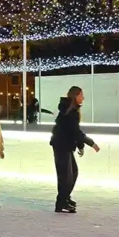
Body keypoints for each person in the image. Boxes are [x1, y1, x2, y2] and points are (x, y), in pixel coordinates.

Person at [49, 86, 100, 214]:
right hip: (61, 145)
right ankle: (61, 202)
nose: (83, 97)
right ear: (75, 96)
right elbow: (75, 132)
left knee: (72, 173)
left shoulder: (70, 110)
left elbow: (73, 132)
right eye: (81, 95)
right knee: (66, 176)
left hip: (64, 145)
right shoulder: (69, 111)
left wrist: (80, 146)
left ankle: (65, 198)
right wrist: (90, 143)